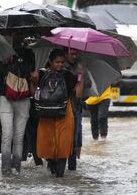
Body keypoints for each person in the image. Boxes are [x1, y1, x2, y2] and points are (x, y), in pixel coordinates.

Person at [0, 33, 37, 176]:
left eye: (20, 32)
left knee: (19, 136)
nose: (17, 36)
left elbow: (30, 74)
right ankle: (5, 170)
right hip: (5, 97)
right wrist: (6, 63)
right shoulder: (2, 52)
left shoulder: (29, 54)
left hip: (23, 98)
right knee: (7, 134)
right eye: (14, 32)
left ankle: (16, 169)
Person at [36, 48, 83, 177]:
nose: (60, 65)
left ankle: (59, 177)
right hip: (46, 114)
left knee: (63, 143)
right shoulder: (41, 74)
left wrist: (80, 76)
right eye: (57, 62)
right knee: (47, 143)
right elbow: (34, 92)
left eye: (62, 62)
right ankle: (52, 166)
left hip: (64, 113)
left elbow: (78, 94)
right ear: (50, 61)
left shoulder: (68, 75)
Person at [64, 48, 85, 170]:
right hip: (65, 108)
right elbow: (77, 93)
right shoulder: (63, 69)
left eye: (76, 54)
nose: (75, 56)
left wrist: (81, 75)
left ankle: (72, 167)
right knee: (70, 140)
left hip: (75, 107)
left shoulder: (78, 67)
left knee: (74, 140)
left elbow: (79, 94)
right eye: (72, 54)